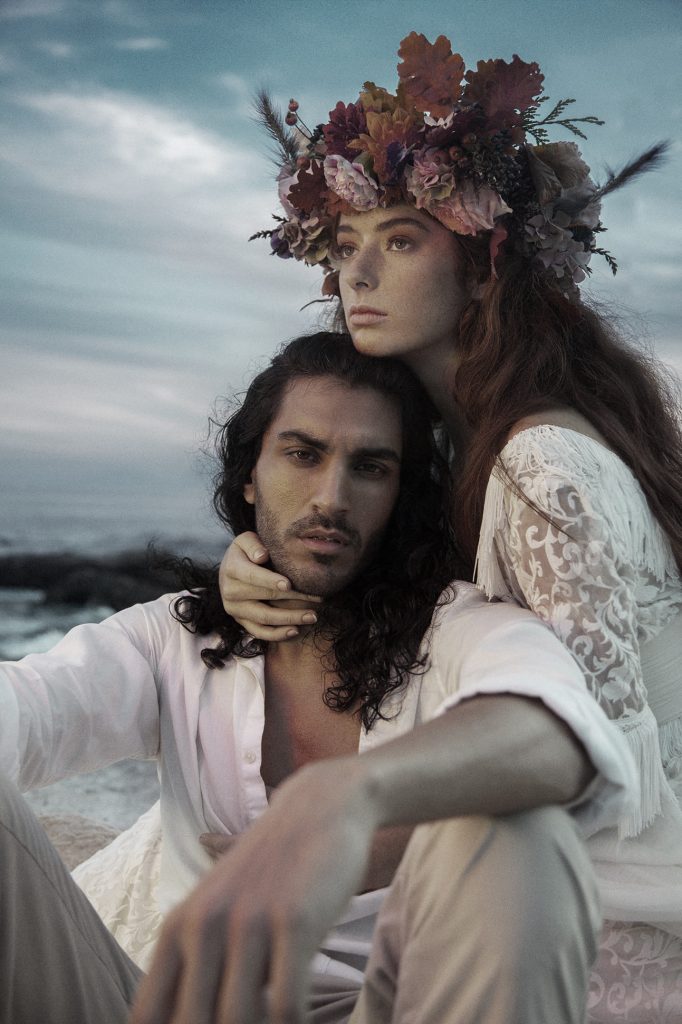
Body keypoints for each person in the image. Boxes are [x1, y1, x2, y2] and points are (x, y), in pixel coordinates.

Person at [220, 31, 682, 1024]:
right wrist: (251, 565)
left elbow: (582, 757)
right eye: (344, 249)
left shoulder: (540, 460)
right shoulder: (468, 456)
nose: (357, 276)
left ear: (484, 265)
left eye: (398, 240)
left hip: (603, 944)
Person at [0, 333, 635, 1024]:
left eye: (369, 467)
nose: (331, 497)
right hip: (172, 1010)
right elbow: (28, 709)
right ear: (250, 473)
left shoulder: (454, 628)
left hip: (384, 1007)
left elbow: (560, 729)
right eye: (303, 455)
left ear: (399, 495)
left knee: (523, 838)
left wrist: (345, 803)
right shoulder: (172, 639)